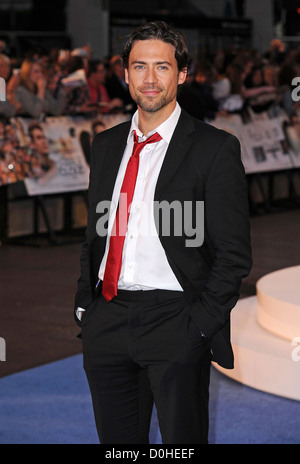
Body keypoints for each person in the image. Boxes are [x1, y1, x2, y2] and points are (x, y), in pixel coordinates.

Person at [74, 20, 252, 444]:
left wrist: (199, 328)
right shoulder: (105, 144)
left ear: (182, 74)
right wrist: (86, 302)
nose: (150, 79)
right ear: (125, 73)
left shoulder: (214, 148)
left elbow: (234, 255)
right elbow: (97, 231)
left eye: (162, 67)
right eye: (139, 67)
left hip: (177, 321)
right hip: (108, 321)